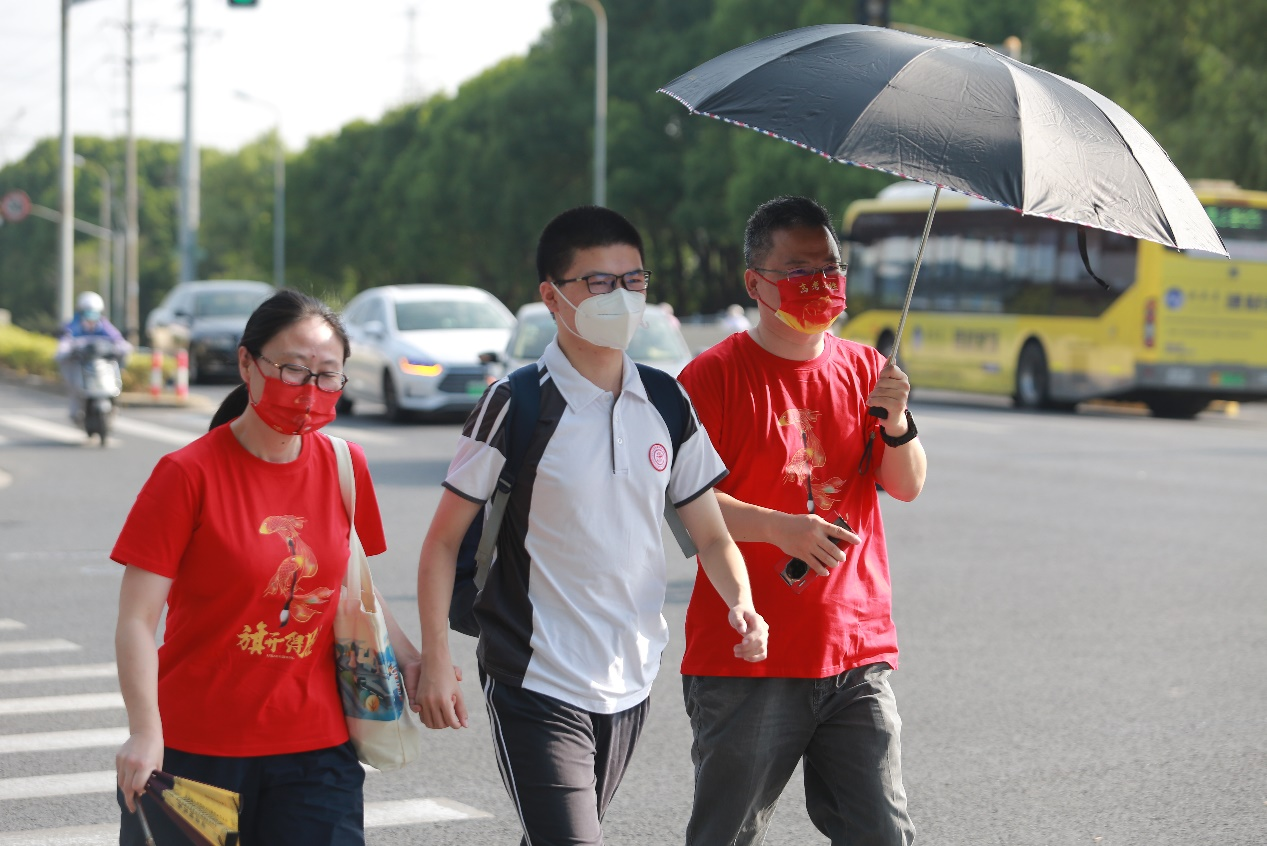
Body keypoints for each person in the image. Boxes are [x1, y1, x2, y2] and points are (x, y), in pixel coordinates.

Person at [413, 205, 769, 845]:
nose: (622, 297)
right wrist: (436, 657)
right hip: (535, 672)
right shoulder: (516, 401)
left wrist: (743, 602)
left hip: (630, 673)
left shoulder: (666, 399)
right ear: (553, 297)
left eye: (634, 281)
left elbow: (711, 534)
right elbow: (442, 542)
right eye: (599, 283)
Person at [111, 290, 420, 845]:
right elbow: (136, 619)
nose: (310, 389)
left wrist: (415, 661)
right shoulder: (186, 474)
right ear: (246, 364)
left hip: (318, 753)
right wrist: (144, 730)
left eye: (328, 375)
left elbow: (354, 591)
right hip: (196, 752)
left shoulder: (346, 466)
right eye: (293, 369)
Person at [675, 196, 927, 846]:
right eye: (798, 268)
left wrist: (895, 422)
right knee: (725, 834)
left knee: (882, 832)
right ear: (754, 282)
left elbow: (906, 484)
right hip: (747, 659)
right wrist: (778, 527)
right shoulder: (712, 378)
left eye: (829, 265)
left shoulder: (867, 370)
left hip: (854, 650)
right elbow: (678, 506)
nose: (820, 281)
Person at [56, 291, 131, 420]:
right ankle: (76, 411)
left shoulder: (104, 326)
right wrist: (66, 350)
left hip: (101, 368)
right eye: (88, 313)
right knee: (73, 385)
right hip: (80, 368)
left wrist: (121, 348)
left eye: (94, 313)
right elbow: (64, 344)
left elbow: (119, 341)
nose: (91, 317)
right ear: (81, 312)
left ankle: (114, 404)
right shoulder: (73, 326)